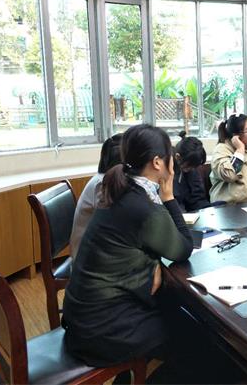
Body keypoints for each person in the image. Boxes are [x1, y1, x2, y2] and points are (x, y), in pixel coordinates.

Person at [62, 124, 194, 366]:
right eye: (170, 155)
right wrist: (169, 197)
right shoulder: (142, 206)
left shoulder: (120, 189)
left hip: (82, 318)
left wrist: (153, 264)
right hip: (104, 331)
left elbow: (133, 243)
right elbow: (184, 248)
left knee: (176, 309)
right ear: (157, 162)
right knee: (197, 334)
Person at [69, 134, 122, 260]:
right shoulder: (102, 185)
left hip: (97, 250)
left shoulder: (105, 179)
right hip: (87, 260)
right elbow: (117, 224)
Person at [173, 131, 211, 212]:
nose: (191, 169)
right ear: (178, 157)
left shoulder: (192, 169)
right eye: (188, 166)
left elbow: (198, 198)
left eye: (194, 167)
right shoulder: (168, 170)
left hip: (192, 211)